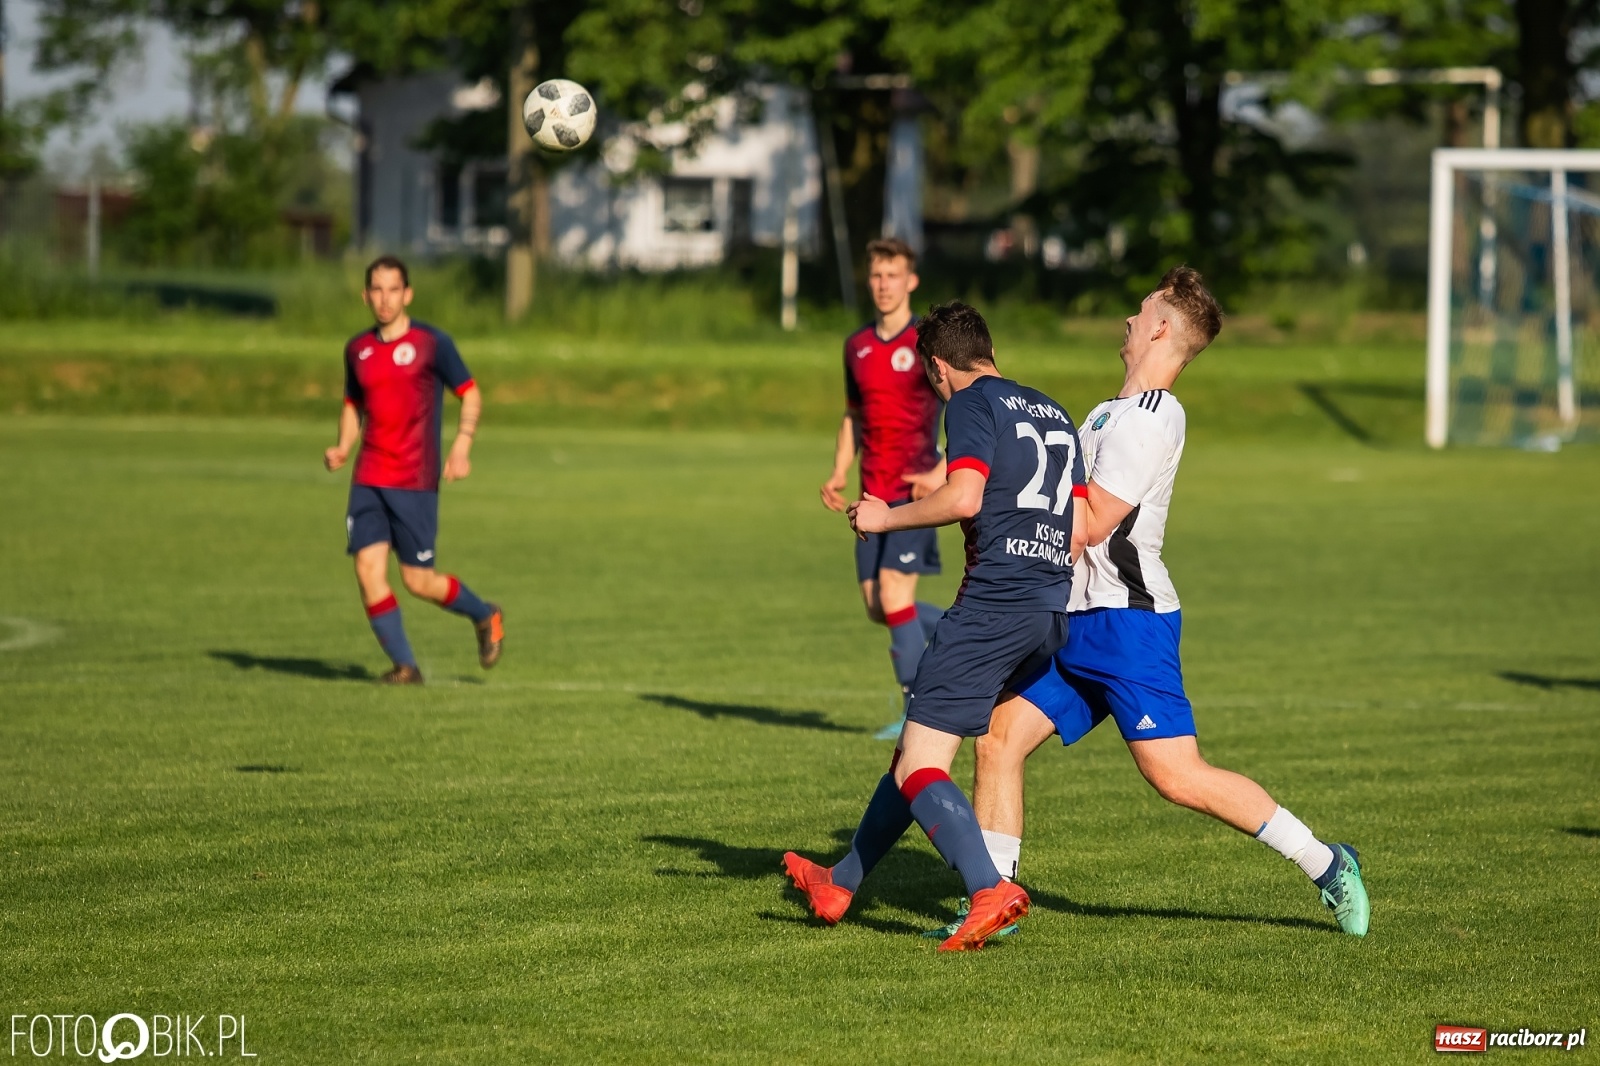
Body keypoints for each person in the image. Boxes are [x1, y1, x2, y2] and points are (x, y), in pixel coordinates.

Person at [965, 265, 1370, 937]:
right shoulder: (1105, 412)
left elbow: (1092, 522)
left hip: (1129, 626)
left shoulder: (1155, 417)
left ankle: (1328, 864)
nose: (1126, 320)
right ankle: (995, 901)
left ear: (1159, 327)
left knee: (1177, 777)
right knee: (998, 740)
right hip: (1075, 620)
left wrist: (1006, 511)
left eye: (1140, 310)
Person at [784, 301, 1087, 950]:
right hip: (1047, 611)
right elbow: (1080, 531)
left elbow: (965, 496)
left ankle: (988, 889)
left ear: (939, 367)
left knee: (921, 762)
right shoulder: (1055, 412)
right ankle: (841, 880)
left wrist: (883, 517)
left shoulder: (970, 404)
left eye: (931, 377)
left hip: (991, 609)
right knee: (915, 751)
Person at [323, 255, 504, 684]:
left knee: (418, 582)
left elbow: (471, 394)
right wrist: (344, 446)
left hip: (414, 481)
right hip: (368, 479)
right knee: (367, 570)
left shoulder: (432, 343)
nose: (384, 300)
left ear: (408, 294)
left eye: (393, 290)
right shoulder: (357, 349)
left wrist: (461, 445)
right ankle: (406, 667)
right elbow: (353, 404)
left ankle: (485, 615)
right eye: (377, 290)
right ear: (365, 295)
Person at [820, 238, 947, 737]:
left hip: (915, 493)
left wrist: (940, 470)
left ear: (911, 280)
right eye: (876, 275)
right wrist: (837, 472)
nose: (883, 284)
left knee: (895, 596)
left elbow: (966, 406)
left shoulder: (927, 342)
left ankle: (916, 710)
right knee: (880, 606)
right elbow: (853, 416)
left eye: (893, 275)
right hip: (870, 497)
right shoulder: (857, 346)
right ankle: (969, 631)